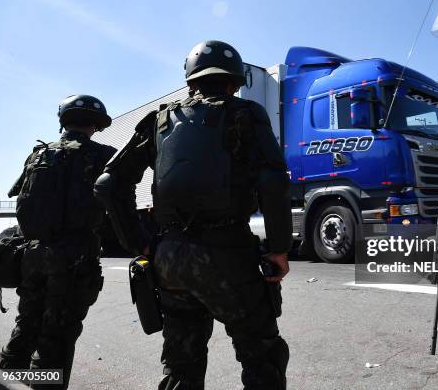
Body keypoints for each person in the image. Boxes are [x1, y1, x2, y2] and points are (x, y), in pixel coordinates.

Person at [94, 40, 292, 390]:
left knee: (181, 363)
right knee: (262, 355)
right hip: (227, 251)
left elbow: (108, 183)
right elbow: (273, 180)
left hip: (169, 258)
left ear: (191, 80)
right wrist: (278, 248)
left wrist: (141, 244)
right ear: (234, 81)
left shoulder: (158, 120)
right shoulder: (246, 113)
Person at [0, 95, 117, 389]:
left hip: (33, 255)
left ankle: (7, 384)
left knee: (25, 327)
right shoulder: (104, 155)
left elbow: (21, 198)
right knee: (56, 338)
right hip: (74, 257)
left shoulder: (37, 155)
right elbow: (118, 200)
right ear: (95, 124)